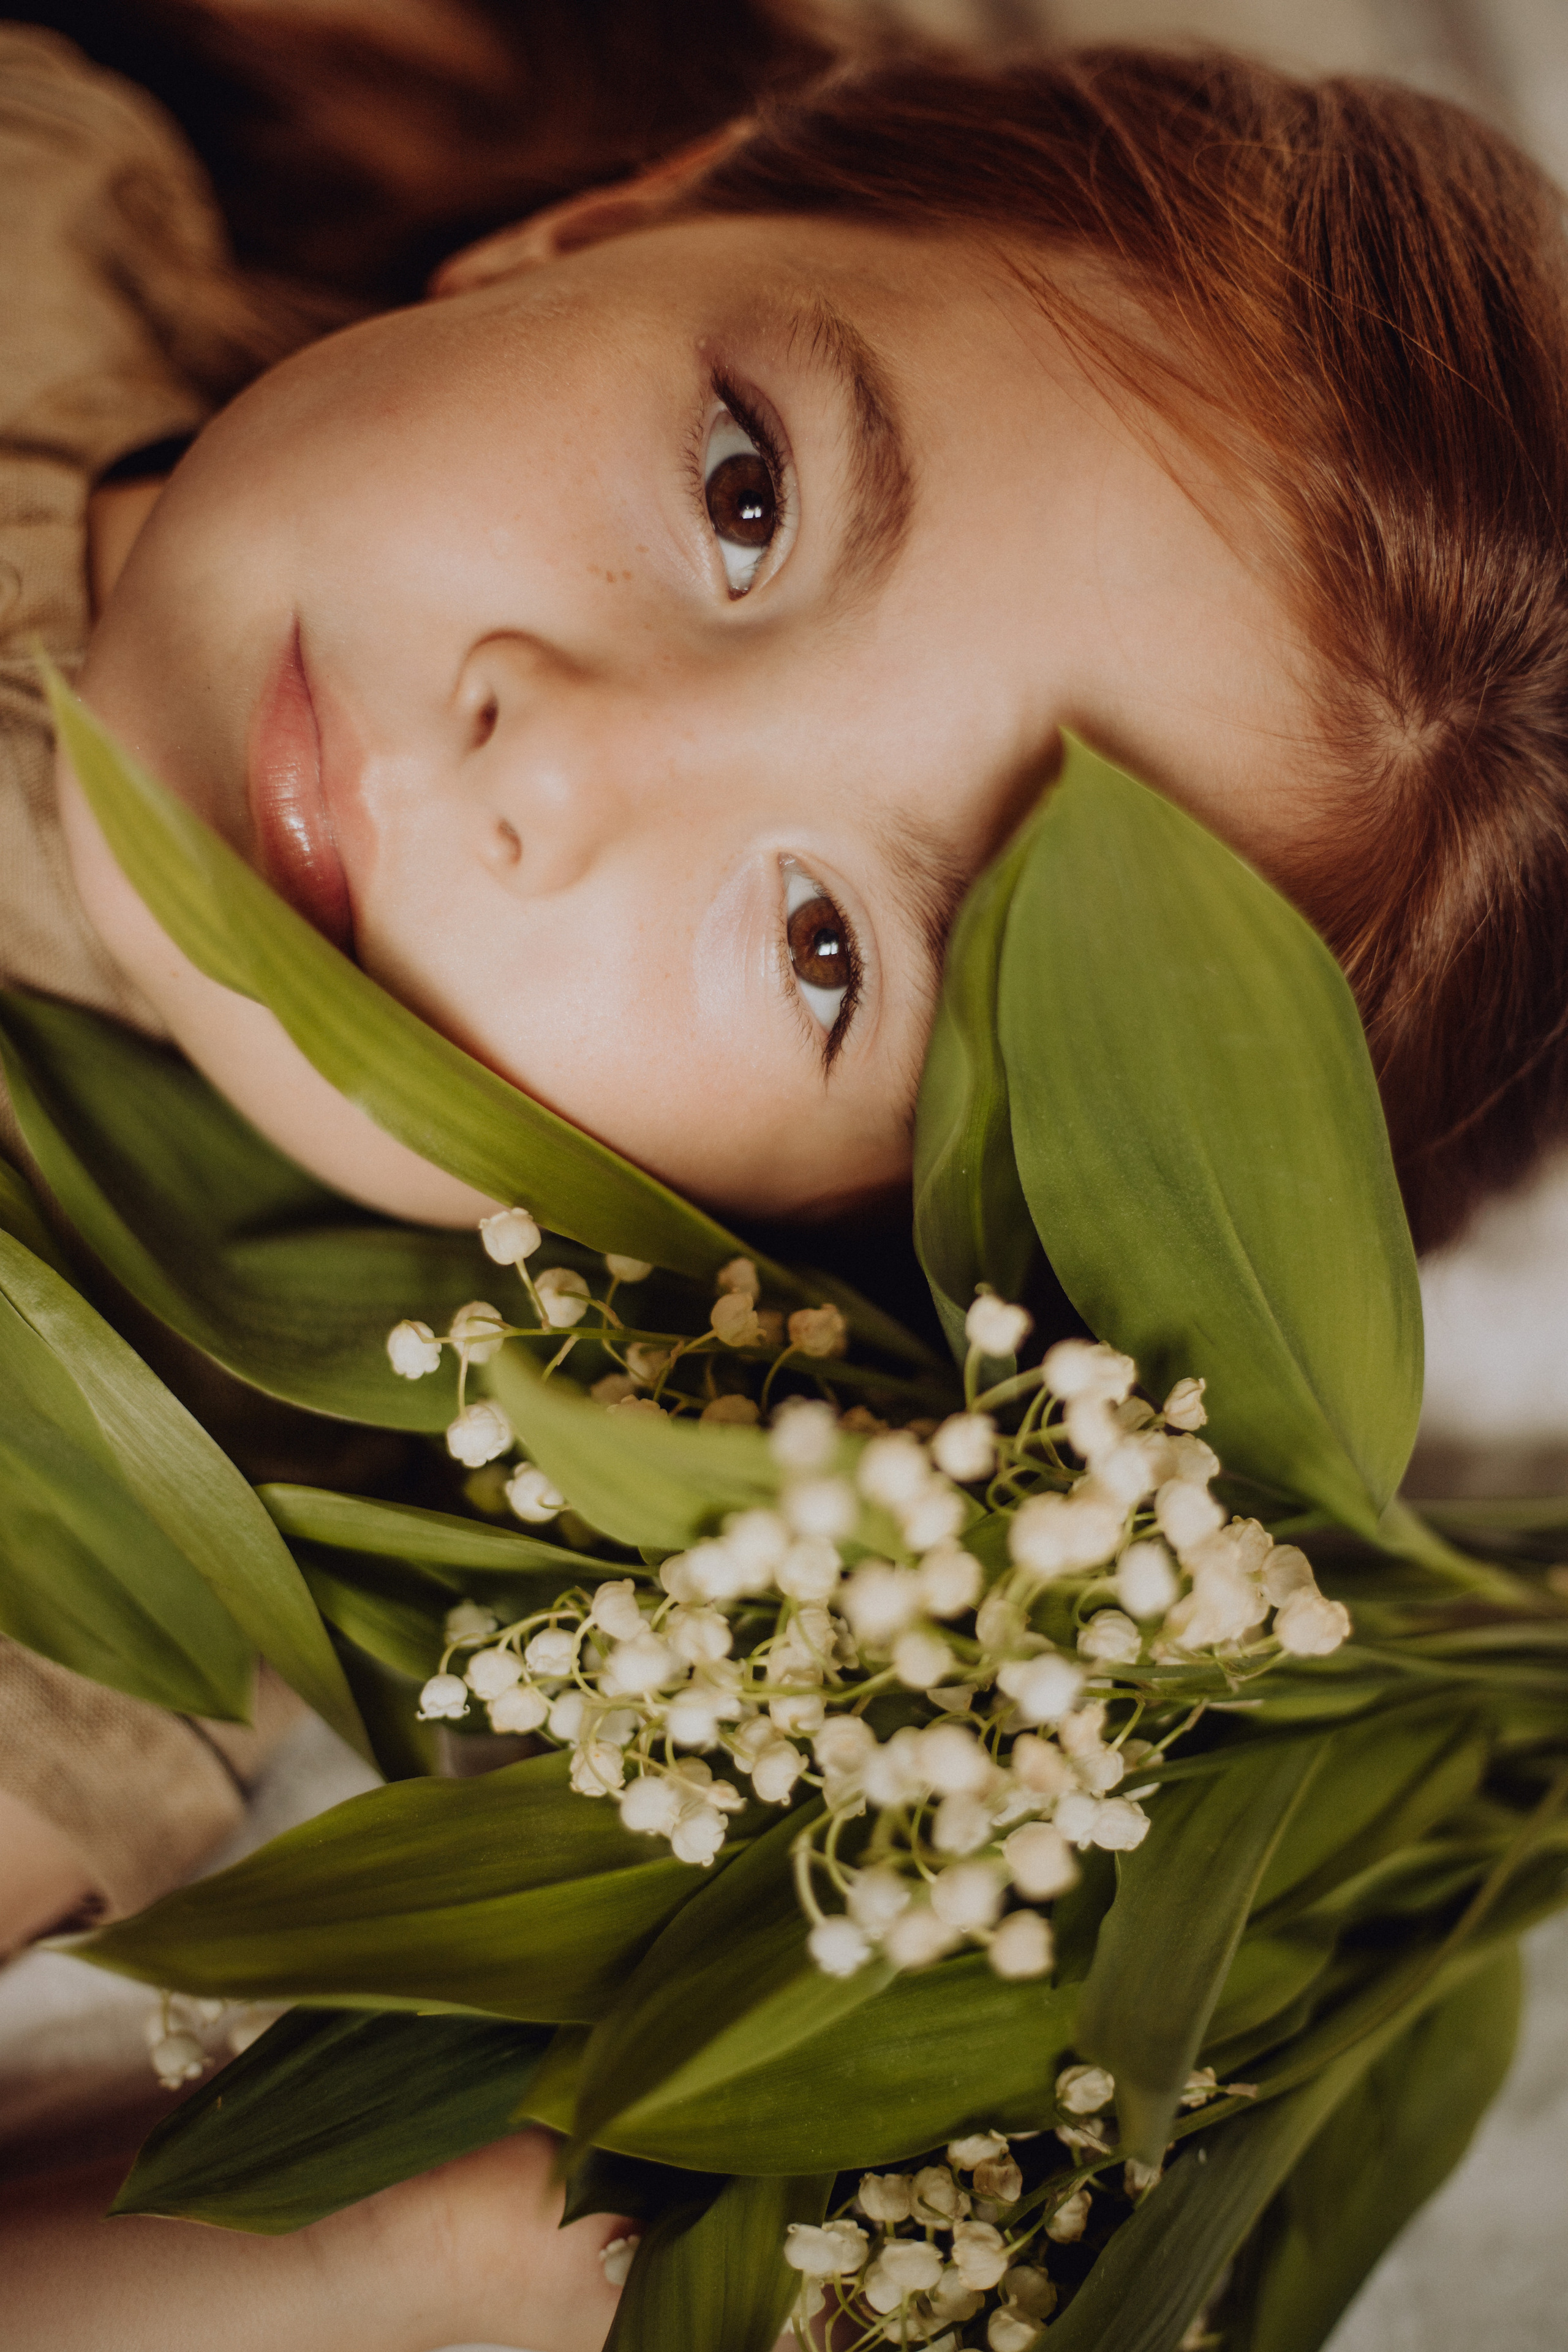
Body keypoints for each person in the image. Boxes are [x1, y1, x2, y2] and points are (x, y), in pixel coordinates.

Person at [8, 17, 1568, 2346]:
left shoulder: (86, 1623)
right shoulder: (51, 170)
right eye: (746, 493)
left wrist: (440, 2248)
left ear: (791, 1252)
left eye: (827, 949)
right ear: (609, 223)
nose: (559, 752)